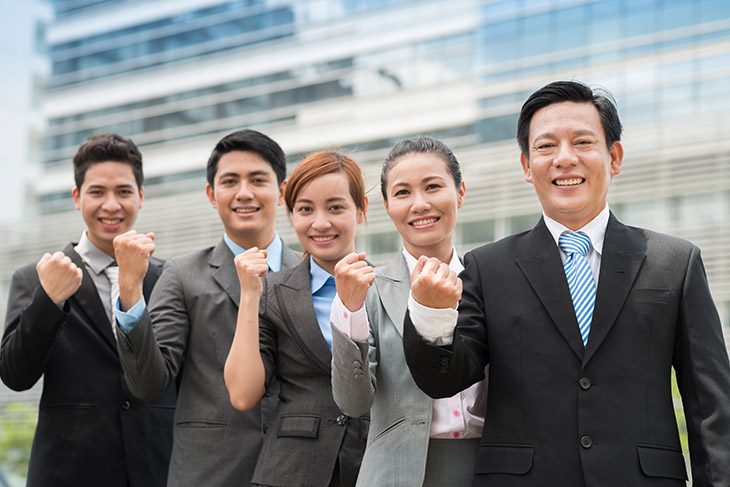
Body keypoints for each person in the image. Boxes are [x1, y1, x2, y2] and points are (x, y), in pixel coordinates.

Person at [402, 81, 730, 486]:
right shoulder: (487, 268)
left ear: (614, 157)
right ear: (526, 165)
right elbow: (445, 378)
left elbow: (711, 407)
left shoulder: (674, 263)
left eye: (582, 142)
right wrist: (432, 314)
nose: (564, 159)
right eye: (545, 147)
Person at [113, 129, 300, 487]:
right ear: (212, 196)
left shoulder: (308, 274)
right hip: (209, 472)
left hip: (297, 468)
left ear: (282, 191)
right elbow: (149, 383)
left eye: (258, 180)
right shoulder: (182, 275)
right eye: (230, 181)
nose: (244, 192)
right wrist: (130, 290)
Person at [0, 132, 175, 487]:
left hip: (160, 468)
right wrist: (48, 300)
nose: (111, 205)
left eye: (124, 192)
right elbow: (16, 376)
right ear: (77, 197)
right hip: (68, 473)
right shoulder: (36, 277)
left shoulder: (171, 278)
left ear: (141, 196)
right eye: (97, 192)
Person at [329, 136, 487, 487]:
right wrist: (350, 309)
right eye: (402, 193)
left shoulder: (492, 281)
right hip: (396, 472)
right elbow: (353, 404)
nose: (420, 204)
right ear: (386, 205)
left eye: (433, 187)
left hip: (489, 466)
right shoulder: (369, 290)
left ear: (460, 192)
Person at [225, 151, 370, 487]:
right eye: (305, 209)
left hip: (371, 466)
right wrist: (250, 296)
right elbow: (243, 395)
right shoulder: (272, 292)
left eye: (335, 207)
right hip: (290, 470)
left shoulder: (389, 289)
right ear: (291, 215)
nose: (320, 223)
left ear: (360, 210)